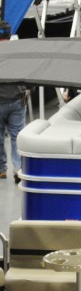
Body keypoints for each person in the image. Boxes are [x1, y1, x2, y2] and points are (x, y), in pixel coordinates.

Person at [0, 19, 25, 185]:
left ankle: (1, 169)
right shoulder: (19, 52)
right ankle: (18, 169)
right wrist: (28, 90)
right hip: (17, 100)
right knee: (16, 136)